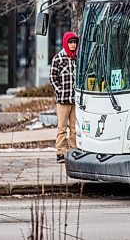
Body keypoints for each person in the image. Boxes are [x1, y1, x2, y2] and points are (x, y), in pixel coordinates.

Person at [50, 31, 79, 163]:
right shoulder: (58, 58)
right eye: (70, 42)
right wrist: (59, 91)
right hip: (63, 100)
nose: (73, 45)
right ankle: (60, 153)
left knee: (74, 128)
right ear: (66, 43)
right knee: (62, 127)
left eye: (75, 42)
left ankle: (73, 151)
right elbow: (53, 77)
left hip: (75, 100)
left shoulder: (78, 58)